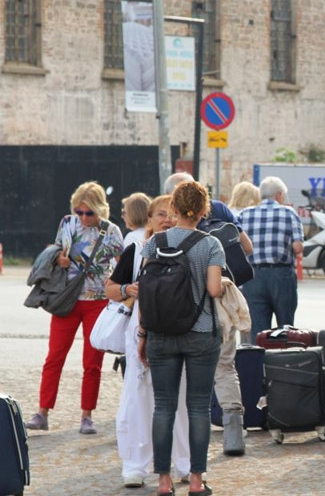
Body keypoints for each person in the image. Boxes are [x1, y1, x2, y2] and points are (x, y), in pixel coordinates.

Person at [139, 181, 224, 496]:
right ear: (203, 212)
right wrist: (225, 284)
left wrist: (142, 335)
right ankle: (196, 481)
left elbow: (147, 291)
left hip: (160, 332)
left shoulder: (154, 242)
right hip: (200, 333)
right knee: (199, 407)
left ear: (173, 208)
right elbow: (214, 290)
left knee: (163, 407)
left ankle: (163, 482)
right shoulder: (211, 244)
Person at [106, 195, 191, 489]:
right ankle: (135, 466)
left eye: (173, 214)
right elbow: (111, 288)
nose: (167, 219)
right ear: (150, 219)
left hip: (179, 333)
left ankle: (185, 463)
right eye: (161, 214)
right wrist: (129, 288)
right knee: (137, 399)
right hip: (140, 332)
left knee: (179, 400)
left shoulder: (189, 249)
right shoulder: (138, 249)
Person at [25, 181, 124, 434]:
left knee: (92, 362)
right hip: (66, 298)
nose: (83, 217)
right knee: (54, 357)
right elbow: (57, 250)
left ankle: (86, 416)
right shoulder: (67, 223)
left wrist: (121, 291)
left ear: (99, 209)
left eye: (88, 212)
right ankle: (43, 412)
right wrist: (59, 258)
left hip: (98, 301)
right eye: (79, 211)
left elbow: (123, 263)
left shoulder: (110, 230)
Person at [164, 171, 250, 456]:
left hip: (180, 310)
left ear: (172, 204)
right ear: (204, 205)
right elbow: (246, 248)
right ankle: (234, 433)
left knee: (186, 374)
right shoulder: (221, 212)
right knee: (225, 367)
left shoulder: (162, 231)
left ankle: (185, 445)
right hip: (221, 307)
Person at [238, 176, 304, 337]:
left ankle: (259, 361)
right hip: (281, 276)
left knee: (258, 331)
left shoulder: (244, 215)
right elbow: (298, 247)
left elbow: (238, 247)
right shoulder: (289, 213)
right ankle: (283, 361)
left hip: (252, 277)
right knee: (286, 329)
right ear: (279, 195)